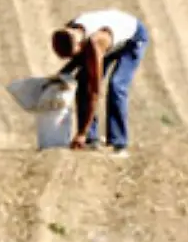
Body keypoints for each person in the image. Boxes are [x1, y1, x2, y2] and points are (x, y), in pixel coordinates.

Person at [50, 9, 149, 155]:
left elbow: (95, 92)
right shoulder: (71, 29)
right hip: (112, 37)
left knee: (116, 85)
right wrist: (59, 77)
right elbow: (76, 61)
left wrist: (81, 132)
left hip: (133, 37)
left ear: (80, 46)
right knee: (81, 81)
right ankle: (91, 140)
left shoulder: (96, 43)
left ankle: (119, 144)